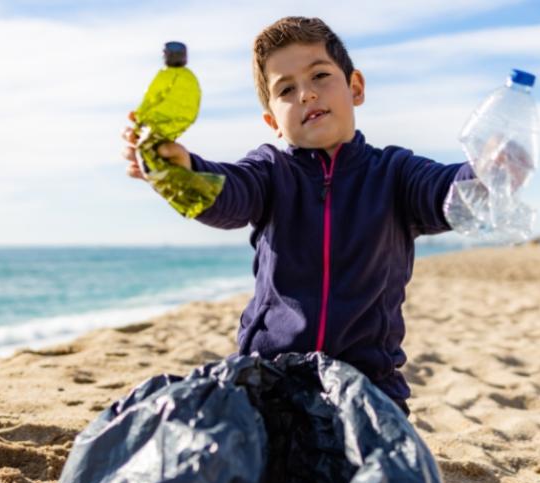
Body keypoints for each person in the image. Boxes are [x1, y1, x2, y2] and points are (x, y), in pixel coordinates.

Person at [122, 16, 475, 417]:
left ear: (355, 87)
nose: (306, 94)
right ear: (272, 121)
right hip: (272, 383)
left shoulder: (395, 173)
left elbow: (449, 191)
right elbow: (229, 193)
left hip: (369, 390)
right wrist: (182, 168)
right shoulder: (270, 171)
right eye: (286, 89)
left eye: (320, 76)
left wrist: (489, 172)